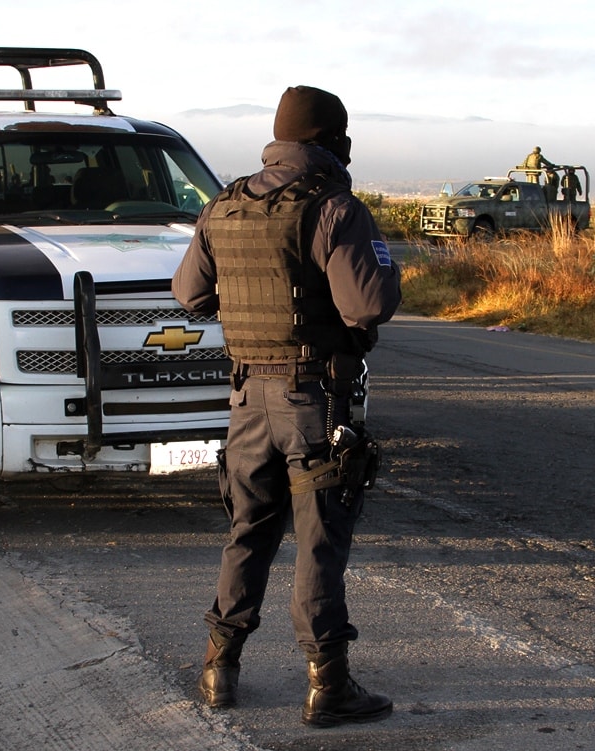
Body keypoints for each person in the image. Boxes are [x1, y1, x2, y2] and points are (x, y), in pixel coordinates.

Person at [172, 85, 402, 727]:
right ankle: (328, 684)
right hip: (314, 400)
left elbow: (189, 294)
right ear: (332, 141)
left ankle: (219, 666)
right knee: (318, 540)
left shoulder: (224, 205)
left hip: (247, 401)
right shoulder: (333, 206)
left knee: (249, 529)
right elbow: (366, 305)